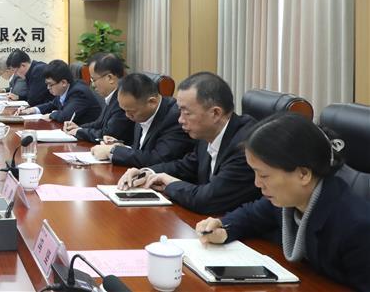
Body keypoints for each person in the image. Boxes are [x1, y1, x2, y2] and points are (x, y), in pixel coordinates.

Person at [196, 113, 370, 289]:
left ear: (303, 174)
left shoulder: (356, 227)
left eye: (264, 175)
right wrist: (223, 228)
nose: (257, 183)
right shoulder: (290, 198)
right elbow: (251, 215)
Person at [116, 72, 260, 214]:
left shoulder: (245, 145)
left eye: (187, 113)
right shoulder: (207, 135)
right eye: (180, 112)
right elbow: (186, 167)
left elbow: (208, 200)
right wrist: (148, 173)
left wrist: (169, 183)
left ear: (215, 113)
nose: (180, 120)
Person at [90, 73, 194, 166]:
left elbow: (158, 158)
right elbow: (142, 149)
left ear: (152, 102)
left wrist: (112, 151)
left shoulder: (175, 118)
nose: (127, 116)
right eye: (124, 110)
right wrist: (121, 147)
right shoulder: (141, 110)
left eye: (131, 112)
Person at [69, 54, 135, 145]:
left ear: (110, 78)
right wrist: (78, 128)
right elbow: (99, 123)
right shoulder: (112, 95)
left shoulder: (123, 100)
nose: (93, 85)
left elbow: (107, 134)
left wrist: (79, 132)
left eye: (94, 80)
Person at [20, 60, 101, 124]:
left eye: (50, 84)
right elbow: (52, 104)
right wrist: (32, 110)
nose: (48, 88)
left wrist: (51, 115)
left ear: (63, 83)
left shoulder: (79, 92)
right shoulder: (65, 89)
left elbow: (65, 116)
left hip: (86, 137)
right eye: (47, 84)